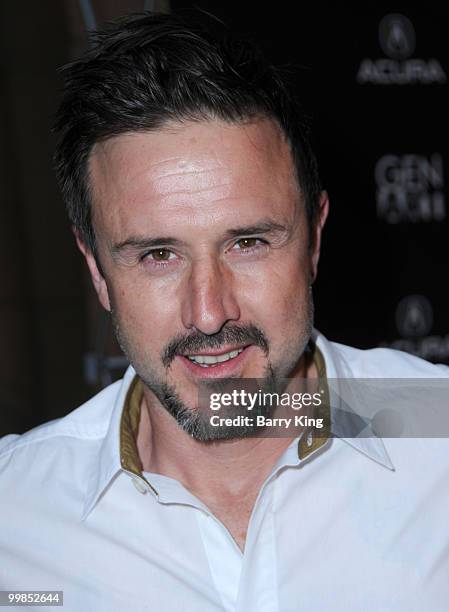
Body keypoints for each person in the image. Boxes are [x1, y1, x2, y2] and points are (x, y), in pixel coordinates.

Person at [1, 11, 448, 612]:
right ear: (96, 272)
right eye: (158, 254)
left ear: (314, 240)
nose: (209, 313)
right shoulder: (15, 513)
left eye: (249, 243)